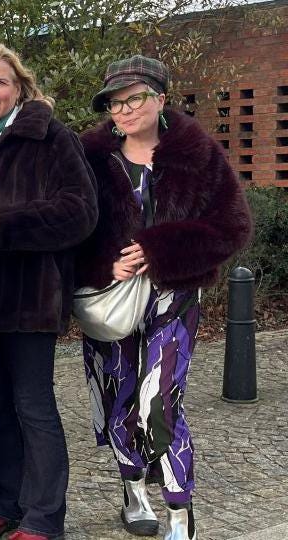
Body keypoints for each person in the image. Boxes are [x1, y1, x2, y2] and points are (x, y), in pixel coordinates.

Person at [77, 55, 251, 540]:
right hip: (111, 299)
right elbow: (70, 227)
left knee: (160, 401)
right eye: (115, 103)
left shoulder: (198, 154)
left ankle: (179, 512)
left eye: (135, 98)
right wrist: (103, 264)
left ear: (161, 98)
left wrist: (160, 250)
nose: (125, 110)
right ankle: (133, 489)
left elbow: (233, 226)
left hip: (174, 297)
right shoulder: (90, 157)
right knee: (118, 396)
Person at [0, 44, 98, 540]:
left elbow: (80, 212)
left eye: (0, 82)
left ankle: (44, 517)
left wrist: (4, 218)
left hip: (31, 295)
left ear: (19, 87)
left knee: (33, 405)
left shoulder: (51, 137)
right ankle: (4, 504)